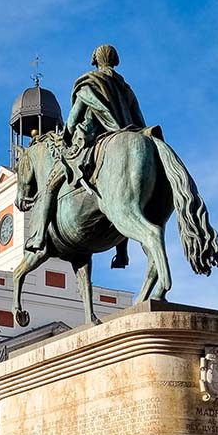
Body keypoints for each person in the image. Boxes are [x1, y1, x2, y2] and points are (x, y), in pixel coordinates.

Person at [24, 44, 145, 268]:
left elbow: (72, 120)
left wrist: (66, 137)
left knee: (50, 185)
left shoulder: (88, 84)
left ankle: (39, 234)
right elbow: (138, 119)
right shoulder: (125, 88)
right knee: (125, 194)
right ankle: (122, 252)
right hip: (122, 135)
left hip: (88, 143)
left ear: (96, 61)